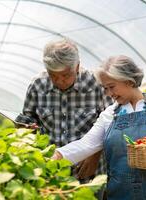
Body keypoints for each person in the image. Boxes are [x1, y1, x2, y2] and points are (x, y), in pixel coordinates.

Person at [52, 55, 146, 200]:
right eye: (105, 88)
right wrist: (57, 155)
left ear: (129, 81)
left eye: (111, 87)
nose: (109, 94)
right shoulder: (109, 114)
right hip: (121, 194)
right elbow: (86, 144)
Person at [15, 38, 113, 192]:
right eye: (53, 76)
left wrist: (94, 156)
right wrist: (25, 128)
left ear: (78, 66)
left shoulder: (97, 85)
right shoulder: (37, 85)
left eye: (66, 75)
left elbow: (111, 126)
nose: (60, 81)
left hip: (88, 172)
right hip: (51, 173)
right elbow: (28, 119)